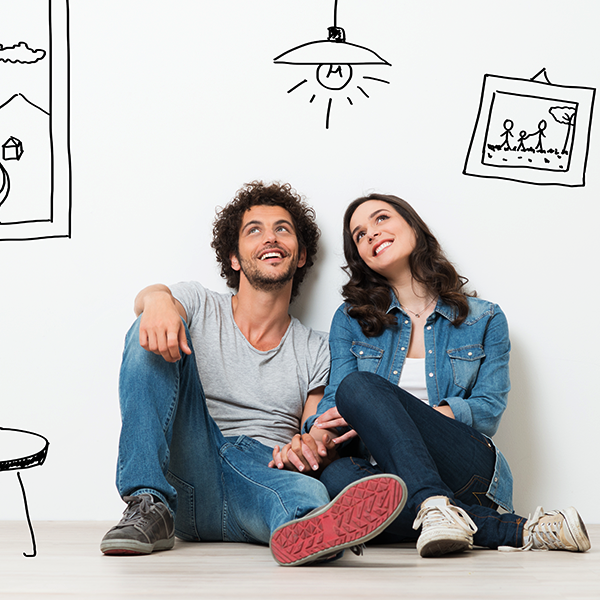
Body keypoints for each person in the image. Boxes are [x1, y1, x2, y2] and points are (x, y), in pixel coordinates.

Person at [100, 182, 406, 566]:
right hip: (188, 470)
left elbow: (314, 428)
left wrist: (312, 445)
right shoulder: (199, 304)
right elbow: (152, 303)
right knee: (152, 330)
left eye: (282, 228)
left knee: (304, 495)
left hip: (262, 480)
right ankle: (146, 502)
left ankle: (310, 528)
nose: (270, 238)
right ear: (233, 257)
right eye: (254, 230)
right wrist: (157, 299)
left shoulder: (317, 347)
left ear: (300, 257)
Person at [273, 193, 590, 558]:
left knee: (360, 386)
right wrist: (316, 433)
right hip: (384, 476)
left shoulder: (484, 318)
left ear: (413, 226)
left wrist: (387, 413)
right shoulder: (352, 320)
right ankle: (513, 528)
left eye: (380, 220)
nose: (371, 235)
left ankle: (434, 500)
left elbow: (487, 410)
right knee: (338, 479)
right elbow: (334, 404)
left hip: (466, 467)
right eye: (359, 235)